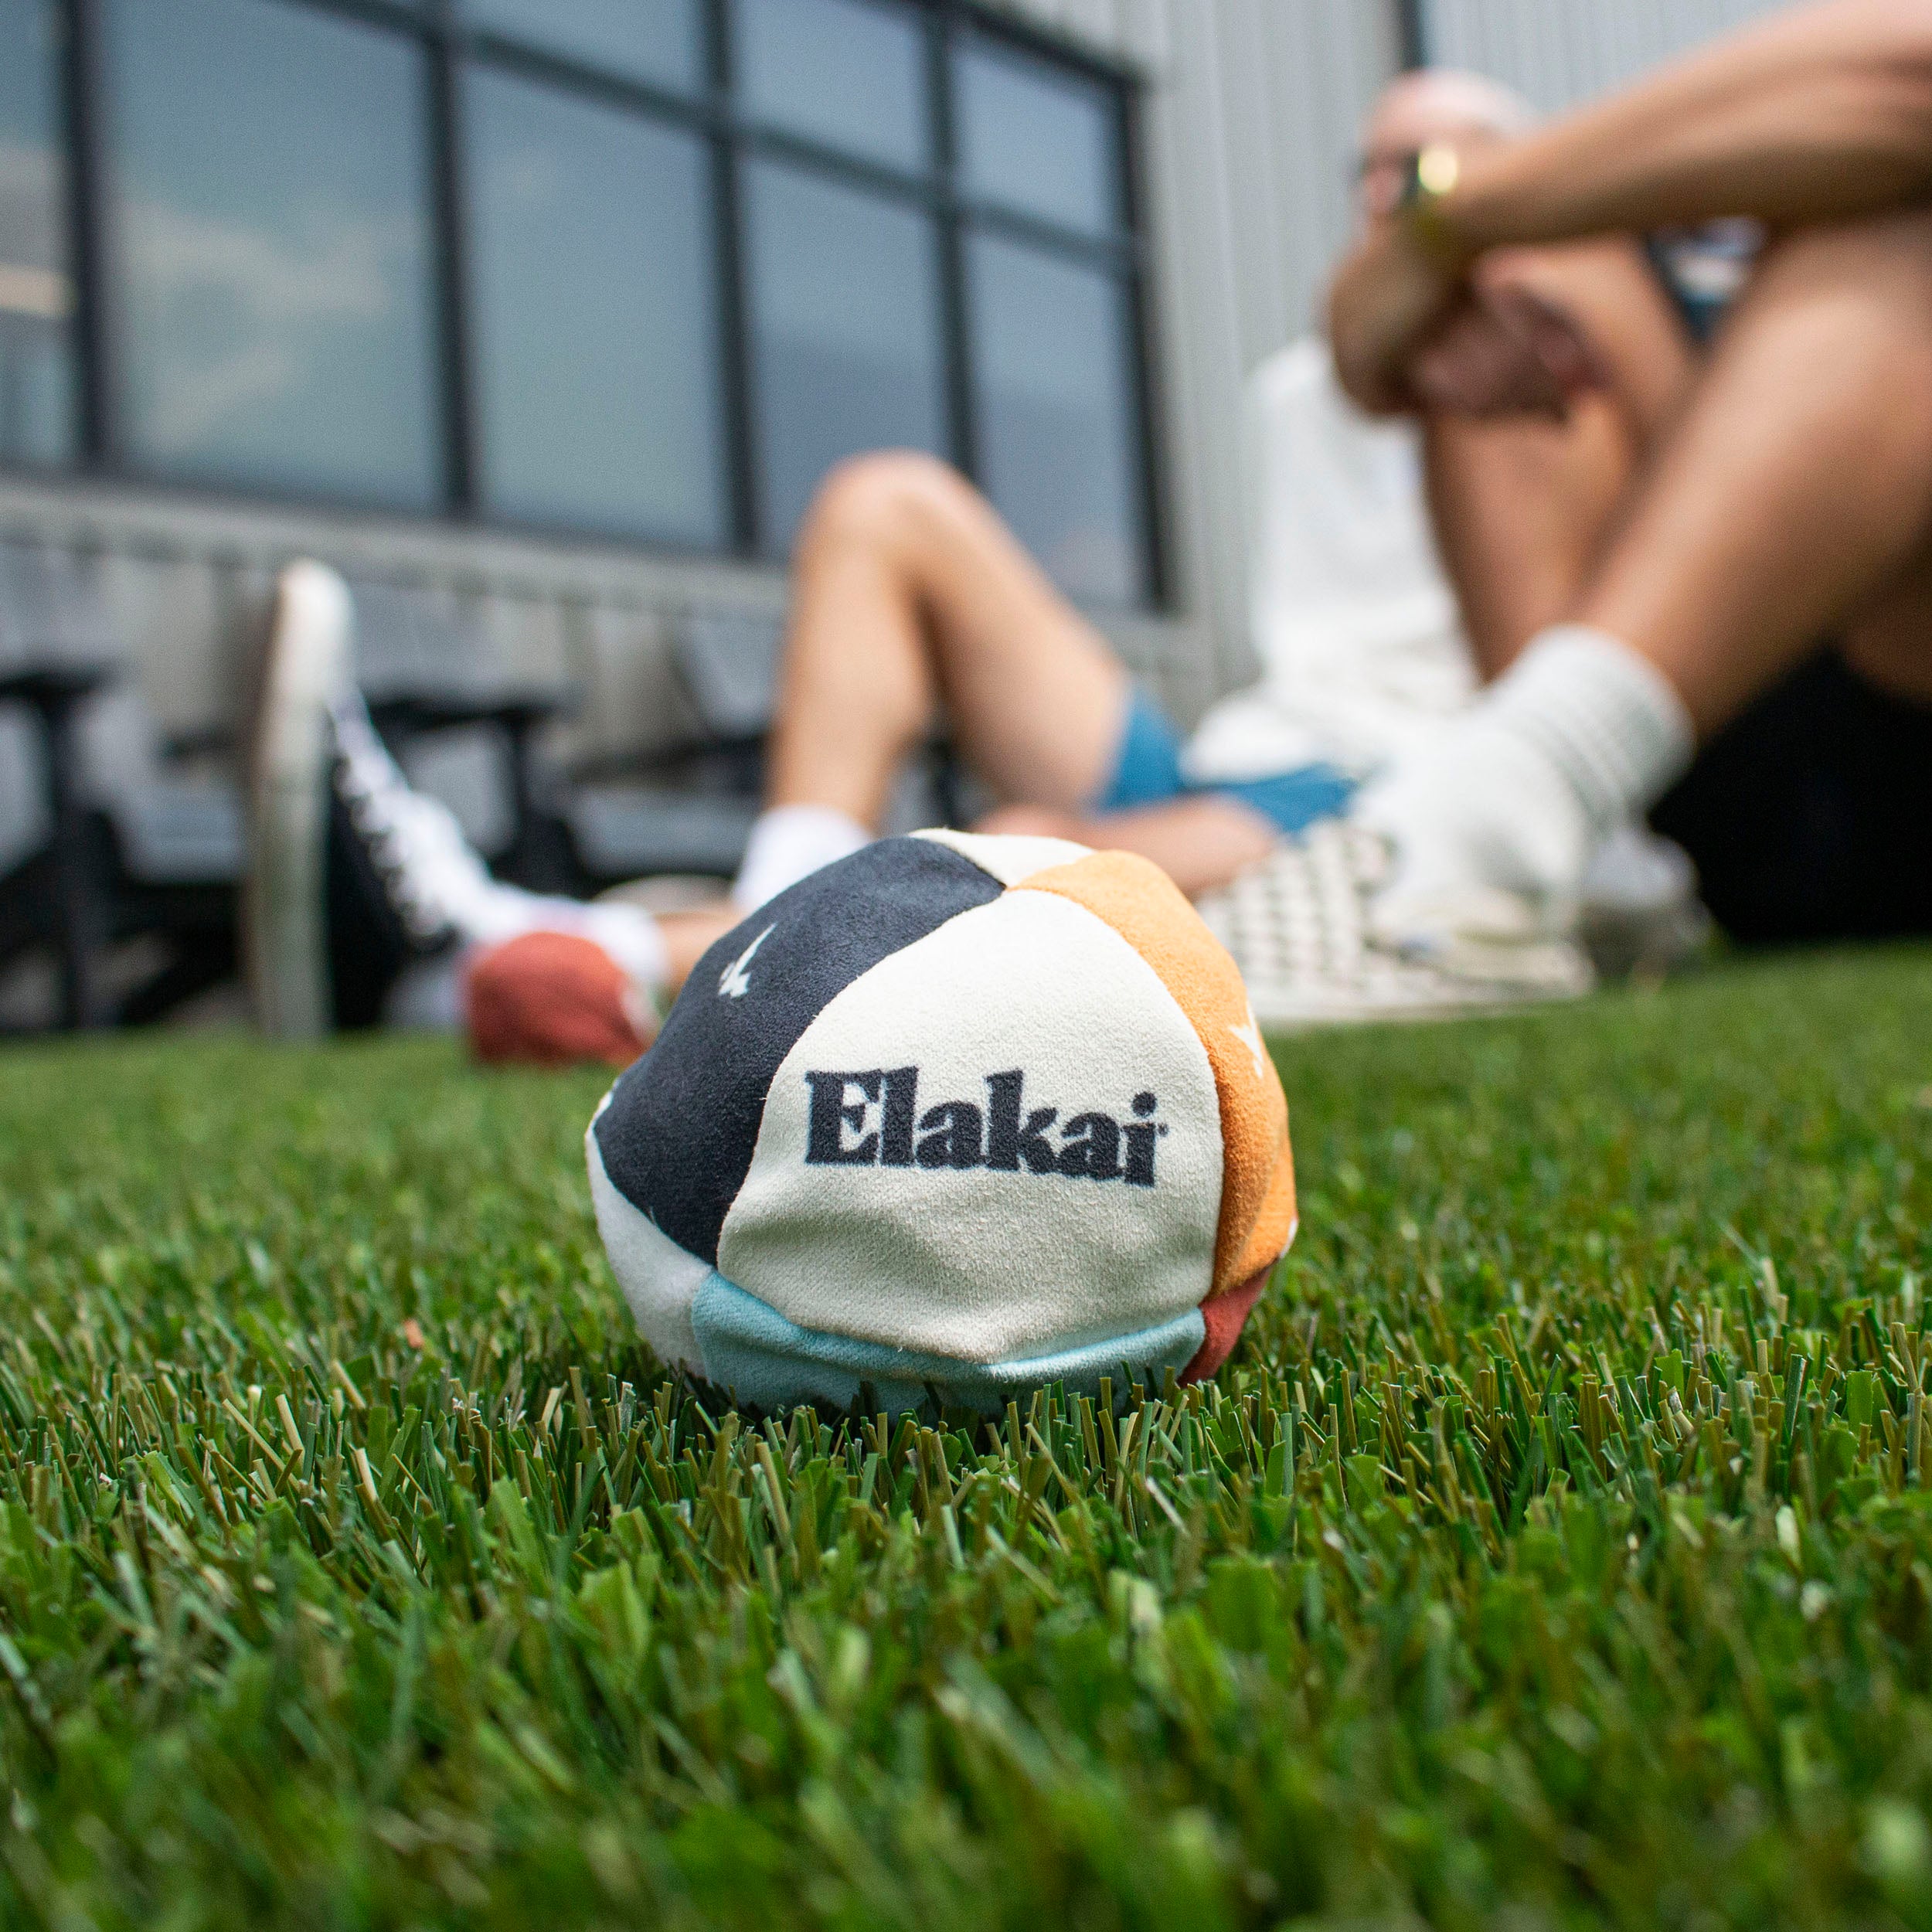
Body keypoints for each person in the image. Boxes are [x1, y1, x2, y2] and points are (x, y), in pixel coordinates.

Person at [1328, 0, 1932, 962]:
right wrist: (1447, 254)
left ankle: (1526, 788)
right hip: (1698, 769)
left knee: (1910, 232)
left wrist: (1439, 216)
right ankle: (1564, 857)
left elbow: (1913, 73)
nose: (1396, 191)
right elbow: (1361, 351)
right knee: (1515, 270)